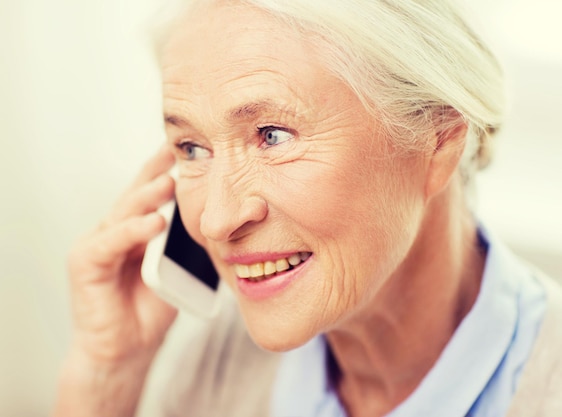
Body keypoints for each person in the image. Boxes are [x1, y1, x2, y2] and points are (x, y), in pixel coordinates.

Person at [53, 1, 562, 416]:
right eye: (192, 148)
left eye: (272, 136)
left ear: (437, 142)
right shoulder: (215, 370)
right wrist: (107, 374)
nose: (215, 220)